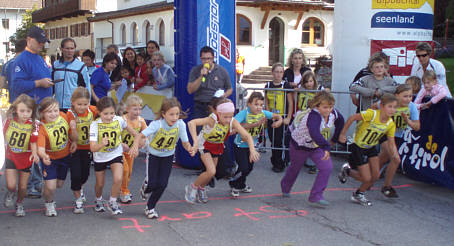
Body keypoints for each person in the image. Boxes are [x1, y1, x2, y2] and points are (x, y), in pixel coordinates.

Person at [185, 98, 260, 204]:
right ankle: (192, 187)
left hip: (217, 146)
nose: (228, 119)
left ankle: (201, 188)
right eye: (225, 117)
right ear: (218, 113)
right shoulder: (212, 119)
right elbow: (191, 123)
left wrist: (252, 150)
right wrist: (195, 142)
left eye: (230, 116)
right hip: (205, 145)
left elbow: (246, 135)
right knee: (211, 171)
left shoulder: (232, 121)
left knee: (210, 173)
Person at [133, 97, 195, 218]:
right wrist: (135, 147)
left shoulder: (180, 124)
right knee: (152, 184)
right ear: (163, 114)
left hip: (168, 156)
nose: (174, 117)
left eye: (177, 114)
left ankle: (150, 208)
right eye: (171, 114)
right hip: (153, 155)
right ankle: (146, 185)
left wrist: (190, 148)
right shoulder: (157, 124)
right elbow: (140, 135)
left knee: (162, 184)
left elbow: (185, 142)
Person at [281, 91, 344, 206]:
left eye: (330, 107)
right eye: (325, 107)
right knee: (295, 168)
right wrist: (326, 146)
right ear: (317, 106)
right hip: (299, 145)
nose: (328, 110)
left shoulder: (333, 113)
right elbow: (314, 133)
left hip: (315, 146)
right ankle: (285, 186)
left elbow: (341, 121)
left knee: (327, 167)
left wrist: (335, 139)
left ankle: (316, 195)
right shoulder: (313, 116)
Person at [338, 93, 399, 206]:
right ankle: (348, 172)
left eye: (395, 107)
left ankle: (359, 193)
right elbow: (352, 118)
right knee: (366, 178)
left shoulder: (391, 124)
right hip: (358, 146)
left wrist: (395, 155)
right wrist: (343, 134)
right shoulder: (372, 114)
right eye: (389, 106)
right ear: (382, 106)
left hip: (371, 147)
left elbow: (391, 142)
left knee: (375, 176)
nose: (392, 110)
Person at [89, 97, 139, 215]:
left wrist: (134, 146)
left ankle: (112, 202)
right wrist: (101, 144)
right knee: (100, 184)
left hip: (115, 153)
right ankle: (98, 199)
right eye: (105, 114)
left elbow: (135, 134)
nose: (109, 116)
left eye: (112, 113)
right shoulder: (95, 125)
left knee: (118, 178)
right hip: (100, 156)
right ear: (99, 112)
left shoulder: (119, 120)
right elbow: (92, 148)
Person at [230, 92, 282, 197]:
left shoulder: (263, 113)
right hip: (240, 145)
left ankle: (241, 184)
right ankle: (234, 184)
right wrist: (255, 124)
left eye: (261, 105)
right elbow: (235, 125)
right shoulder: (244, 113)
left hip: (252, 146)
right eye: (256, 104)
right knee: (243, 167)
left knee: (249, 168)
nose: (259, 107)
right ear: (249, 104)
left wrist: (279, 121)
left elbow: (278, 116)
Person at [376, 84, 420, 198]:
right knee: (395, 159)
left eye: (410, 96)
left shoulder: (411, 107)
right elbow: (373, 108)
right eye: (405, 96)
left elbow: (417, 126)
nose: (408, 99)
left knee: (384, 157)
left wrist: (408, 121)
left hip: (398, 135)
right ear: (397, 96)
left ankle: (369, 175)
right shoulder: (389, 103)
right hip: (384, 133)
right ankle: (387, 187)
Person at [37, 97, 78, 216]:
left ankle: (47, 187)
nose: (53, 114)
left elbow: (71, 134)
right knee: (51, 187)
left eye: (55, 110)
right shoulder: (42, 127)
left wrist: (74, 142)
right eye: (49, 111)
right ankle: (49, 203)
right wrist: (44, 156)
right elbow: (40, 148)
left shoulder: (64, 116)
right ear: (42, 113)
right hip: (50, 160)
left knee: (59, 185)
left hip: (64, 157)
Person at [3, 94, 40, 216]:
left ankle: (19, 203)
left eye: (28, 111)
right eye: (22, 111)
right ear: (16, 110)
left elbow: (34, 141)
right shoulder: (8, 121)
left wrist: (34, 154)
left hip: (25, 158)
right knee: (11, 185)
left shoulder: (33, 125)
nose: (25, 114)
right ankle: (11, 192)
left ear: (32, 111)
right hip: (11, 156)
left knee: (23, 187)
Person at [66, 87, 98, 212]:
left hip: (87, 148)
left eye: (85, 104)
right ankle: (78, 200)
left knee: (85, 174)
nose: (82, 107)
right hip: (75, 148)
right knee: (76, 174)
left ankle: (80, 188)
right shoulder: (70, 114)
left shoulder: (92, 111)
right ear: (73, 102)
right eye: (79, 104)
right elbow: (73, 137)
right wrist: (73, 128)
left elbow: (105, 112)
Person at [187, 46, 233, 119]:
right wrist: (201, 76)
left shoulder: (221, 71)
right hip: (200, 106)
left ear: (213, 58)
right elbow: (190, 90)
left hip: (215, 106)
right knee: (199, 129)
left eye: (209, 58)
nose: (206, 61)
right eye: (204, 59)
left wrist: (223, 96)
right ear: (200, 59)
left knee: (215, 128)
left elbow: (229, 89)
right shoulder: (195, 70)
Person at [264, 62, 294, 173]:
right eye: (276, 72)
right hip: (272, 116)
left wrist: (288, 118)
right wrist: (268, 114)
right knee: (272, 139)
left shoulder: (285, 85)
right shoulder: (267, 85)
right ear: (272, 73)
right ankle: (274, 159)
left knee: (279, 140)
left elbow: (290, 103)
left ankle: (279, 163)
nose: (278, 74)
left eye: (281, 72)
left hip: (282, 116)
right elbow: (266, 100)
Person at [12, 26, 53, 104]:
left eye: (44, 41)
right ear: (29, 40)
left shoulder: (39, 58)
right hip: (32, 108)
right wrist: (39, 83)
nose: (42, 44)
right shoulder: (21, 59)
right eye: (39, 41)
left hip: (44, 106)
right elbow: (17, 85)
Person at [295, 71, 326, 174]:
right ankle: (303, 161)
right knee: (303, 140)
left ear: (314, 81)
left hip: (315, 118)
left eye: (311, 81)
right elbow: (296, 90)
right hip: (303, 118)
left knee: (314, 141)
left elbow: (326, 92)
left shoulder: (319, 90)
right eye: (306, 81)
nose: (309, 84)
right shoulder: (301, 89)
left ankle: (315, 164)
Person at [119, 95, 147, 204]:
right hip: (120, 150)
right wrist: (120, 144)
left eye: (140, 109)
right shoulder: (122, 120)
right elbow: (115, 135)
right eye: (135, 109)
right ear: (127, 109)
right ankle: (124, 191)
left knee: (129, 172)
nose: (138, 111)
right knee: (124, 170)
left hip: (131, 150)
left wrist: (142, 143)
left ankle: (123, 188)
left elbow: (145, 135)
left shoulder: (141, 121)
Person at [52, 38, 90, 110]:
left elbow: (87, 87)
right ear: (62, 49)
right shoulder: (55, 65)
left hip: (74, 107)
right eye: (67, 48)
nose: (70, 51)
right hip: (57, 106)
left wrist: (87, 105)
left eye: (72, 48)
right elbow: (51, 85)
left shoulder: (81, 66)